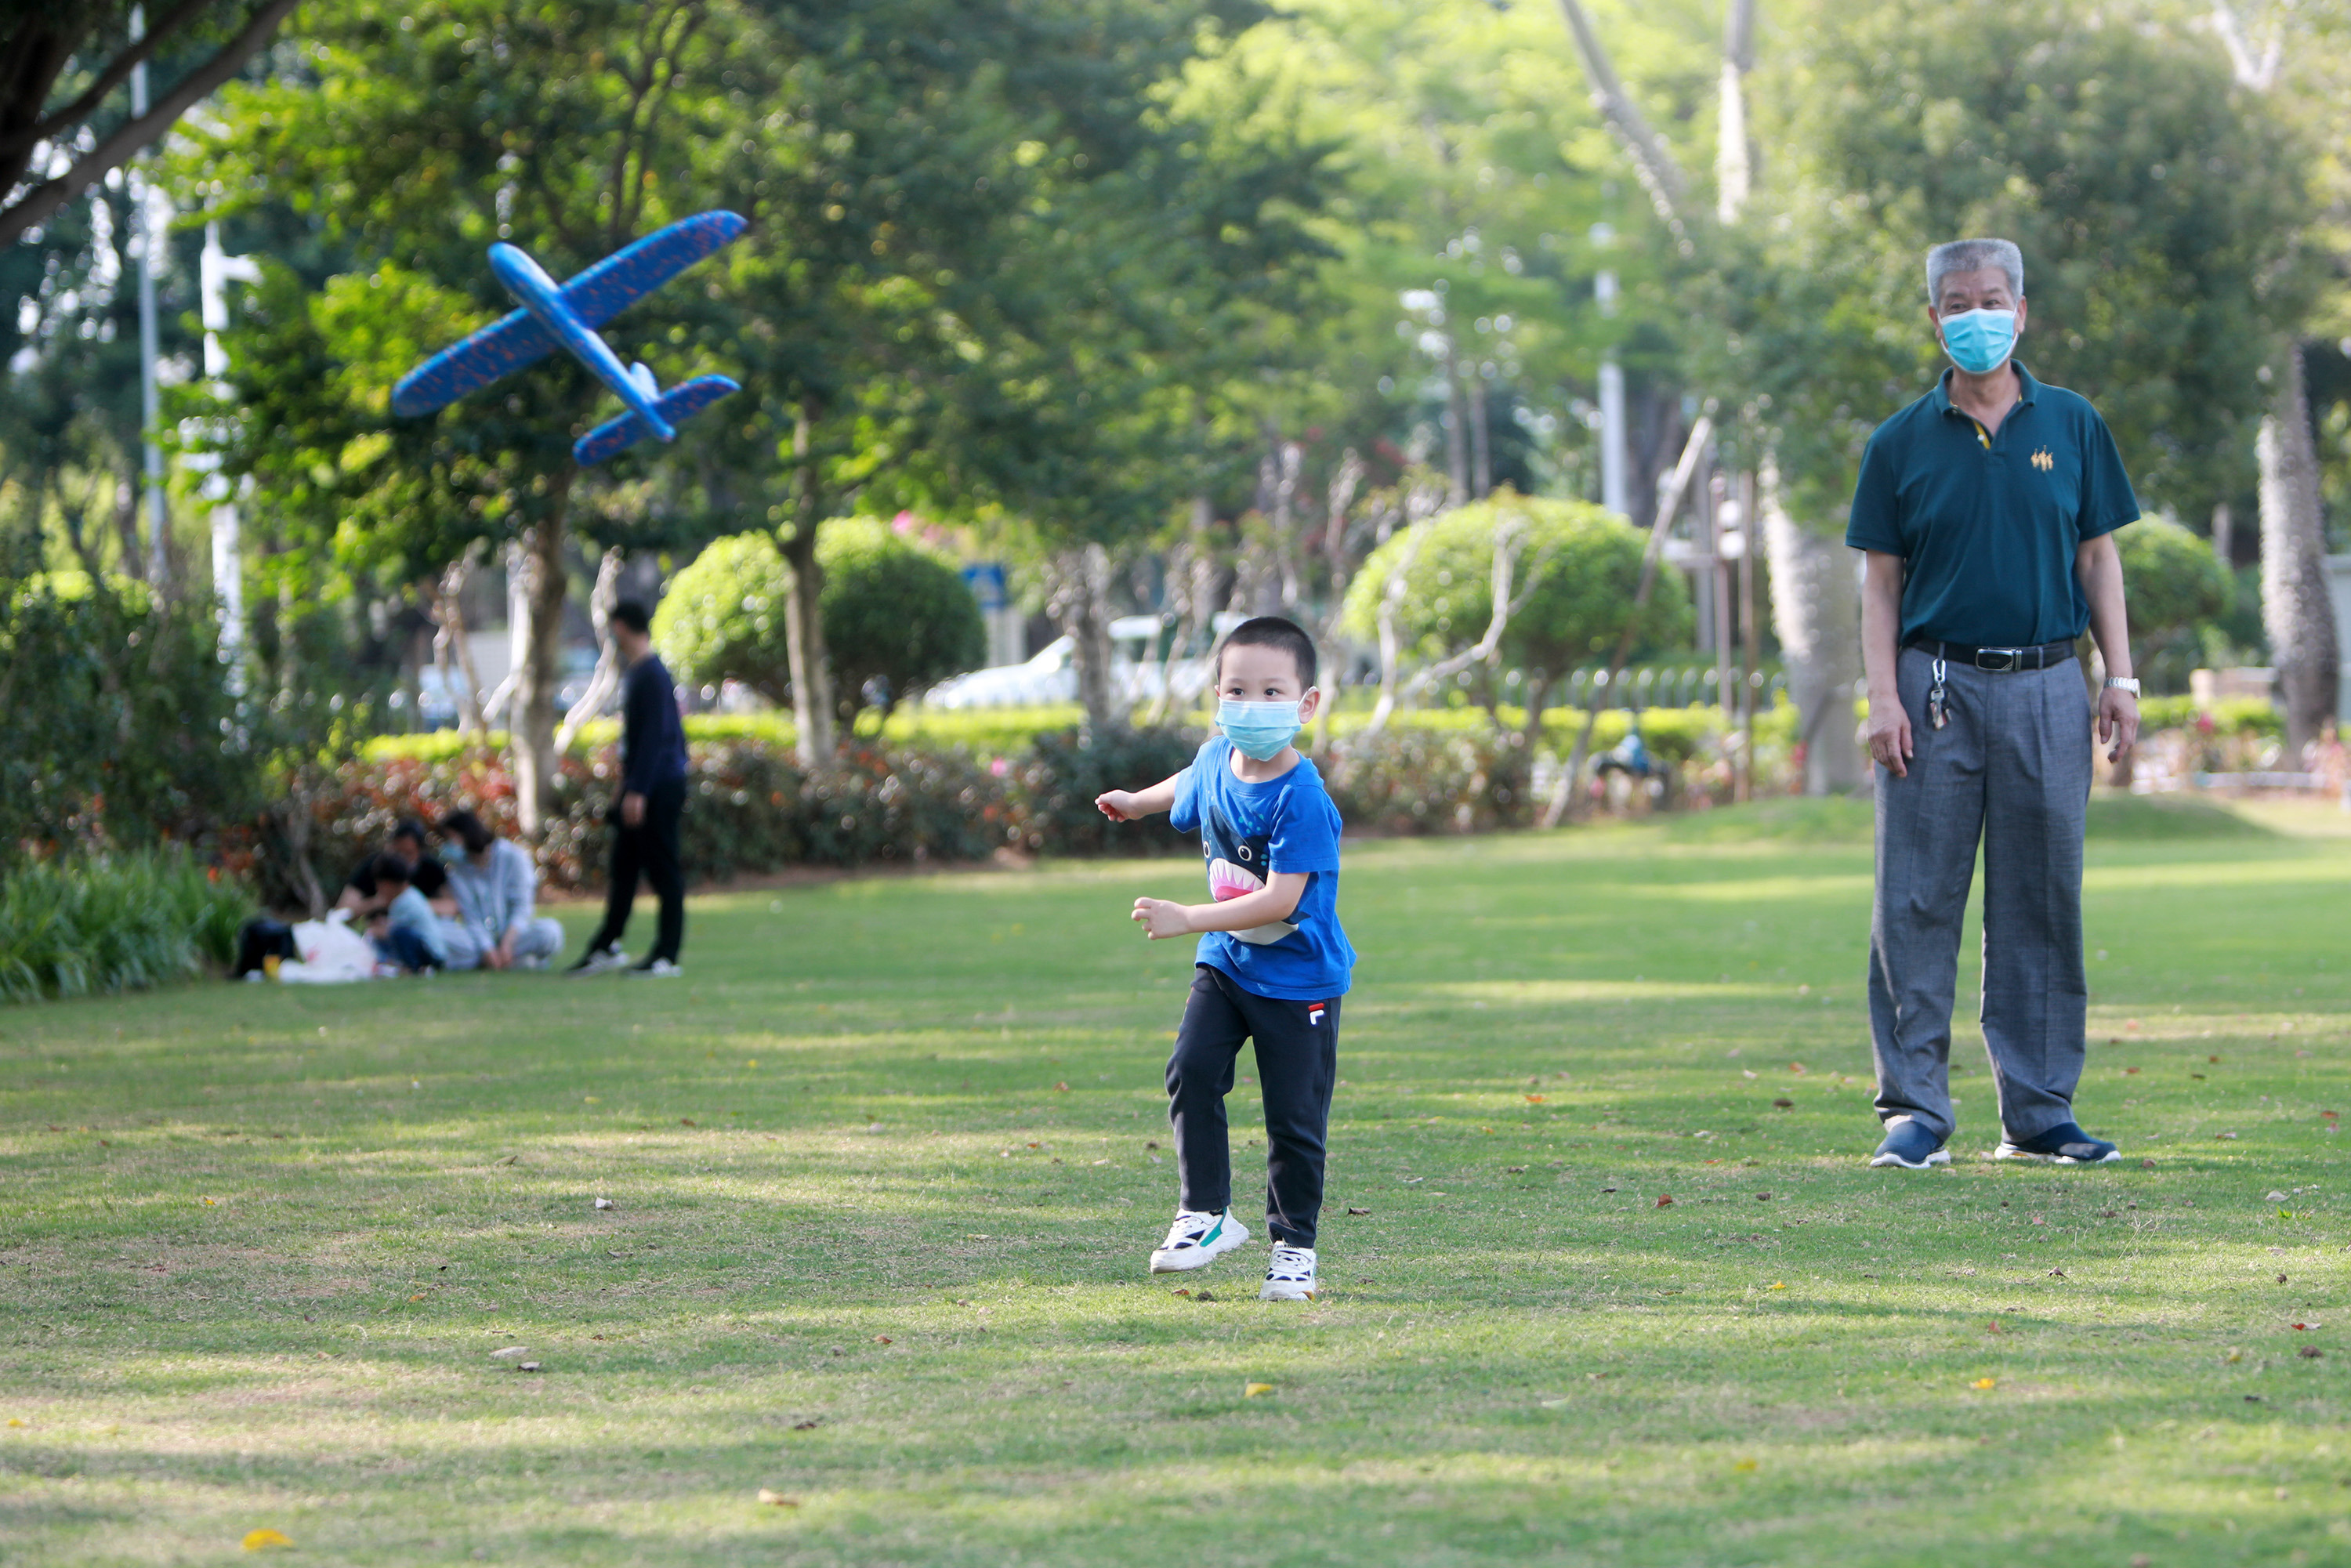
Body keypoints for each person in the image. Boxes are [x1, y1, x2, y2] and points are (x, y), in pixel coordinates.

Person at [1847, 237, 2141, 1171]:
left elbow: (2099, 557)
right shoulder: (1899, 443)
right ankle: (1916, 1111)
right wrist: (1881, 697)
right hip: (1933, 691)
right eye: (1958, 301)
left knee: (2042, 899)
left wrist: (2121, 678)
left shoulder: (2074, 422)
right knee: (1917, 900)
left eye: (1994, 298)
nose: (1977, 315)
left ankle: (2042, 1110)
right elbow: (1879, 586)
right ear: (1935, 319)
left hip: (2053, 685)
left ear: (2023, 312)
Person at [1094, 615, 1355, 1302]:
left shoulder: (1302, 799)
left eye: (1273, 692)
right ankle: (1206, 1213)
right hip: (1230, 965)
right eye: (1238, 689)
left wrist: (1188, 919)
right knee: (1192, 1068)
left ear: (1306, 705)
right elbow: (1189, 778)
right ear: (1216, 694)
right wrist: (1138, 802)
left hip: (1300, 982)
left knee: (1293, 1121)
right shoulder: (1216, 756)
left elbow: (1280, 900)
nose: (1253, 704)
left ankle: (1294, 1249)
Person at [568, 598, 688, 977]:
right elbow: (636, 743)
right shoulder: (639, 673)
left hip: (658, 788)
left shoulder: (652, 675)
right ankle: (607, 945)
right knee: (624, 868)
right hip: (640, 787)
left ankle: (666, 954)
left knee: (663, 869)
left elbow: (657, 739)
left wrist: (639, 790)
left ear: (622, 627)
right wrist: (625, 788)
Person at [438, 809, 565, 971]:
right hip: (478, 941)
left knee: (550, 932)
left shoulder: (512, 857)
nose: (449, 845)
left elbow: (522, 908)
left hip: (515, 936)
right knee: (442, 933)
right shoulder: (458, 872)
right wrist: (488, 949)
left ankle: (501, 959)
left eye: (451, 838)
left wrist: (507, 944)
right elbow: (470, 916)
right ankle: (510, 962)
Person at [335, 819, 451, 917]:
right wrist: (377, 902)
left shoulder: (432, 868)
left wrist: (411, 904)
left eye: (408, 853)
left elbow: (452, 906)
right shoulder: (374, 865)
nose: (401, 859)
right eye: (397, 852)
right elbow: (342, 911)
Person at [364, 855, 449, 974]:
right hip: (431, 951)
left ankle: (413, 968)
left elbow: (391, 931)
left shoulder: (404, 902)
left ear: (387, 884)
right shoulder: (411, 894)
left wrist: (373, 931)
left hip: (431, 954)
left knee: (399, 933)